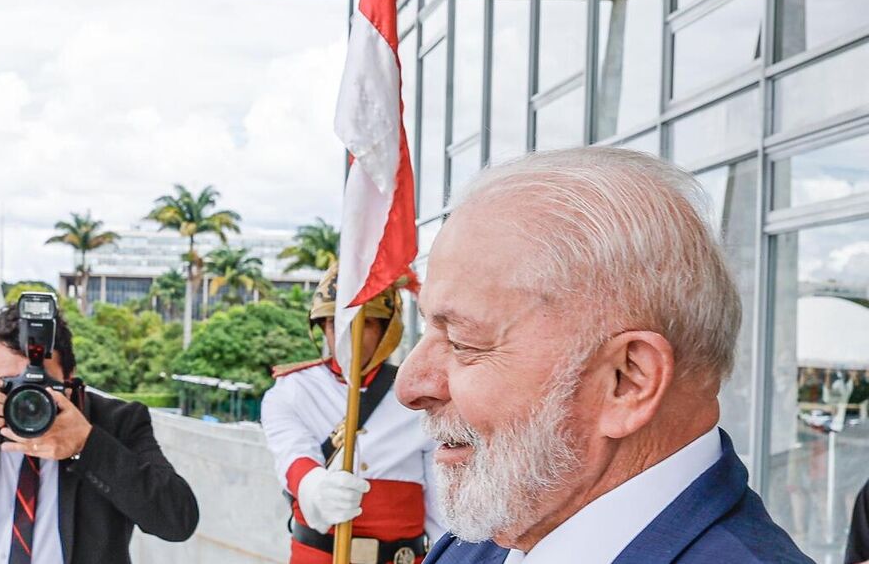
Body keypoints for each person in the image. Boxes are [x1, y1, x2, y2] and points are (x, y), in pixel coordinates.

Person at [402, 147, 810, 563]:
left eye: (463, 343)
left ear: (627, 381)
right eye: (426, 330)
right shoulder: (486, 536)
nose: (410, 384)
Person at [0, 301, 199, 563]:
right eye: (8, 384)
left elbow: (176, 520)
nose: (24, 397)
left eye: (41, 383)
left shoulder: (116, 422)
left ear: (70, 378)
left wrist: (87, 444)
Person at [261, 264, 441, 564]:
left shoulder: (417, 395)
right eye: (335, 325)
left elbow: (440, 503)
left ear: (387, 330)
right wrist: (313, 486)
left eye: (366, 323)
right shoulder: (291, 390)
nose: (348, 337)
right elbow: (291, 454)